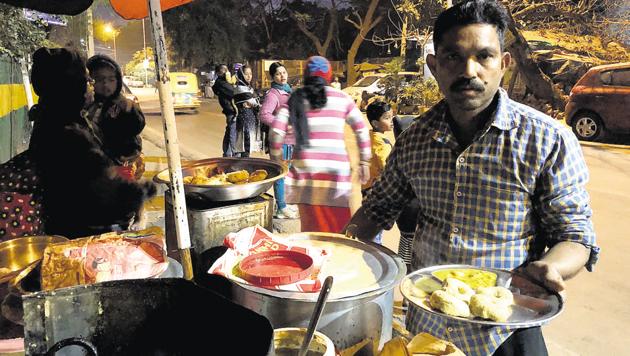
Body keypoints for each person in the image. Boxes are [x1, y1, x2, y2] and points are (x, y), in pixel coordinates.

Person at [342, 1, 599, 355]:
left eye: (484, 56)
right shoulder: (416, 138)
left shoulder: (547, 139)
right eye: (452, 57)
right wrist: (338, 253)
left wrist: (552, 266)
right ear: (434, 65)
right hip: (428, 330)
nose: (469, 71)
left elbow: (576, 236)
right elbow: (377, 209)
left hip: (507, 330)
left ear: (504, 64)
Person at [27, 47, 156, 239]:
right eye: (88, 80)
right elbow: (105, 190)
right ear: (72, 86)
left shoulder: (54, 118)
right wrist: (143, 190)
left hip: (67, 225)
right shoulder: (68, 134)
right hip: (83, 232)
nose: (92, 85)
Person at [270, 56, 371, 233]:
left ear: (306, 76)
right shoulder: (343, 98)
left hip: (306, 176)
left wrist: (278, 161)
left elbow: (275, 134)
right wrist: (364, 162)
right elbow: (361, 129)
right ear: (329, 76)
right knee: (338, 233)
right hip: (336, 176)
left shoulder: (295, 99)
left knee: (311, 232)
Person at [86, 54, 145, 181]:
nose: (106, 84)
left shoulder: (122, 104)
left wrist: (130, 110)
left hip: (121, 164)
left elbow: (137, 125)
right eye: (99, 79)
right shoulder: (88, 104)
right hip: (97, 168)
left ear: (118, 81)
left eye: (111, 79)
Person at [258, 62, 299, 219]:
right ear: (273, 77)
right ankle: (281, 207)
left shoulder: (288, 91)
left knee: (287, 172)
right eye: (278, 74)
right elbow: (264, 114)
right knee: (281, 173)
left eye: (284, 72)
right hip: (280, 141)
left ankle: (283, 205)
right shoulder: (273, 94)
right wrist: (281, 123)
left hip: (291, 139)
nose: (282, 76)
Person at [360, 101, 394, 244]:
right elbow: (388, 170)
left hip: (365, 190)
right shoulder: (381, 145)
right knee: (375, 235)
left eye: (391, 116)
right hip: (376, 193)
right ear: (375, 123)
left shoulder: (369, 137)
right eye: (387, 118)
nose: (391, 121)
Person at [233, 65, 262, 157]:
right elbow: (256, 102)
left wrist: (254, 102)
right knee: (246, 146)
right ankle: (243, 168)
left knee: (248, 147)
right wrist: (255, 102)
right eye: (246, 74)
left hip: (250, 119)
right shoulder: (241, 89)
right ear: (241, 75)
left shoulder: (248, 88)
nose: (249, 76)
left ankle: (243, 167)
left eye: (250, 74)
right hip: (245, 120)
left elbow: (256, 101)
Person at [212, 64, 237, 157]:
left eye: (227, 70)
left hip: (231, 110)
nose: (226, 72)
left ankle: (226, 154)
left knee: (229, 131)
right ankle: (234, 155)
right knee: (233, 132)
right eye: (223, 70)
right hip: (231, 111)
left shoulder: (224, 82)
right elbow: (233, 92)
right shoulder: (221, 83)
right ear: (218, 73)